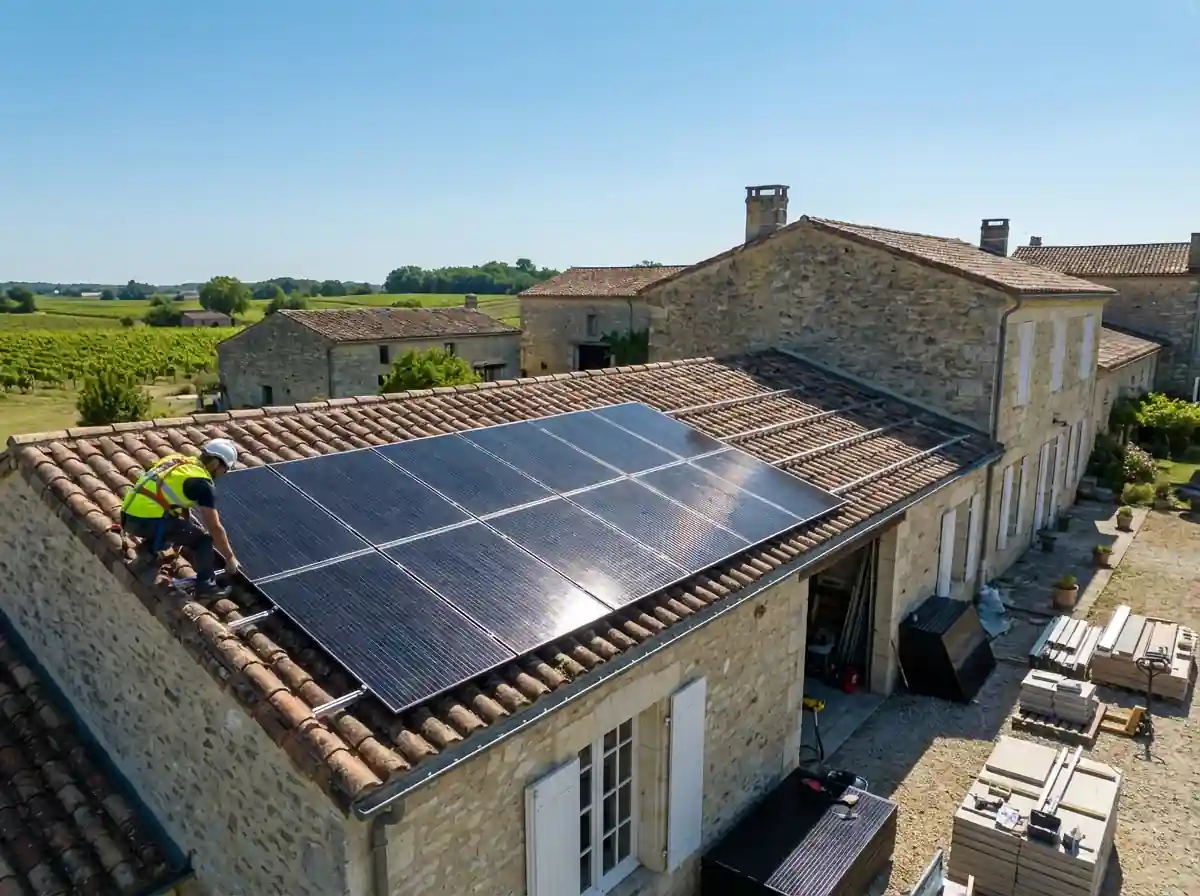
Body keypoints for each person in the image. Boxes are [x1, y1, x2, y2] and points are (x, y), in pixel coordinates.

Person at [120, 438, 242, 597]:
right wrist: (230, 558)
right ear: (214, 464)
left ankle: (148, 551)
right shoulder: (202, 483)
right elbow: (215, 527)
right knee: (203, 540)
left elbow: (166, 491)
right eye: (224, 470)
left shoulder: (177, 460)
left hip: (128, 515)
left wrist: (186, 517)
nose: (223, 474)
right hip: (145, 523)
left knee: (181, 527)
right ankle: (206, 586)